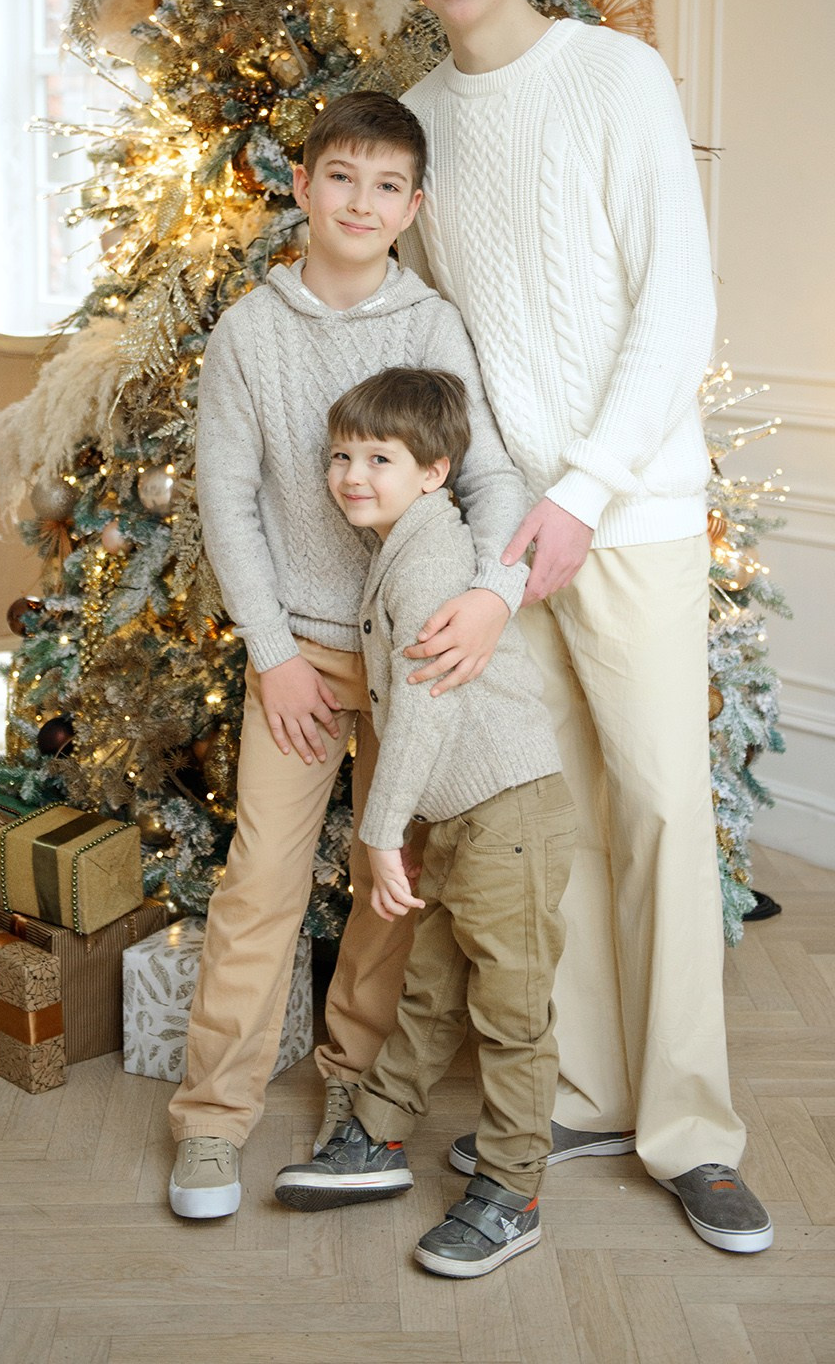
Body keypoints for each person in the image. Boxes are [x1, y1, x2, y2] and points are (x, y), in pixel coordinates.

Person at [388, 0, 773, 1254]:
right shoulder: (422, 120)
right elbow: (459, 355)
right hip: (510, 536)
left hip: (631, 512)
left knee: (663, 804)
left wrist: (585, 492)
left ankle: (690, 1129)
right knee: (545, 823)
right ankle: (589, 1086)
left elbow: (676, 307)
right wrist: (501, 521)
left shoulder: (617, 77)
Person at [168, 91, 532, 1218]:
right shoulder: (249, 332)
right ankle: (211, 1122)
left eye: (386, 187)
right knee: (262, 882)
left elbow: (492, 479)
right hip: (303, 661)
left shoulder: (431, 324)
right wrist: (271, 653)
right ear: (301, 186)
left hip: (415, 656)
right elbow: (227, 507)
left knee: (391, 890)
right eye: (341, 179)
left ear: (413, 206)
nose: (361, 203)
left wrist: (493, 595)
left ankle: (353, 1097)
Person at [273, 368, 576, 1280]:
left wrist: (379, 829)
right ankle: (378, 1134)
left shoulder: (434, 559)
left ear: (435, 471)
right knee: (431, 988)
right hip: (460, 815)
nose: (351, 475)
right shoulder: (403, 548)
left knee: (509, 1012)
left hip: (507, 811)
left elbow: (428, 707)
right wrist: (408, 824)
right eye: (340, 456)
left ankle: (513, 1190)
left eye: (379, 458)